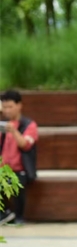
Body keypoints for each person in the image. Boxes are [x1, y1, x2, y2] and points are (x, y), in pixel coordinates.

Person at [0, 89, 38, 225]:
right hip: (3, 168)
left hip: (21, 169)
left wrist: (13, 131)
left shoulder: (29, 125)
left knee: (17, 183)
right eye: (4, 107)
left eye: (10, 107)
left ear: (19, 105)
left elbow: (25, 145)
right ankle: (4, 214)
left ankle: (18, 217)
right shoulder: (2, 125)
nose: (7, 111)